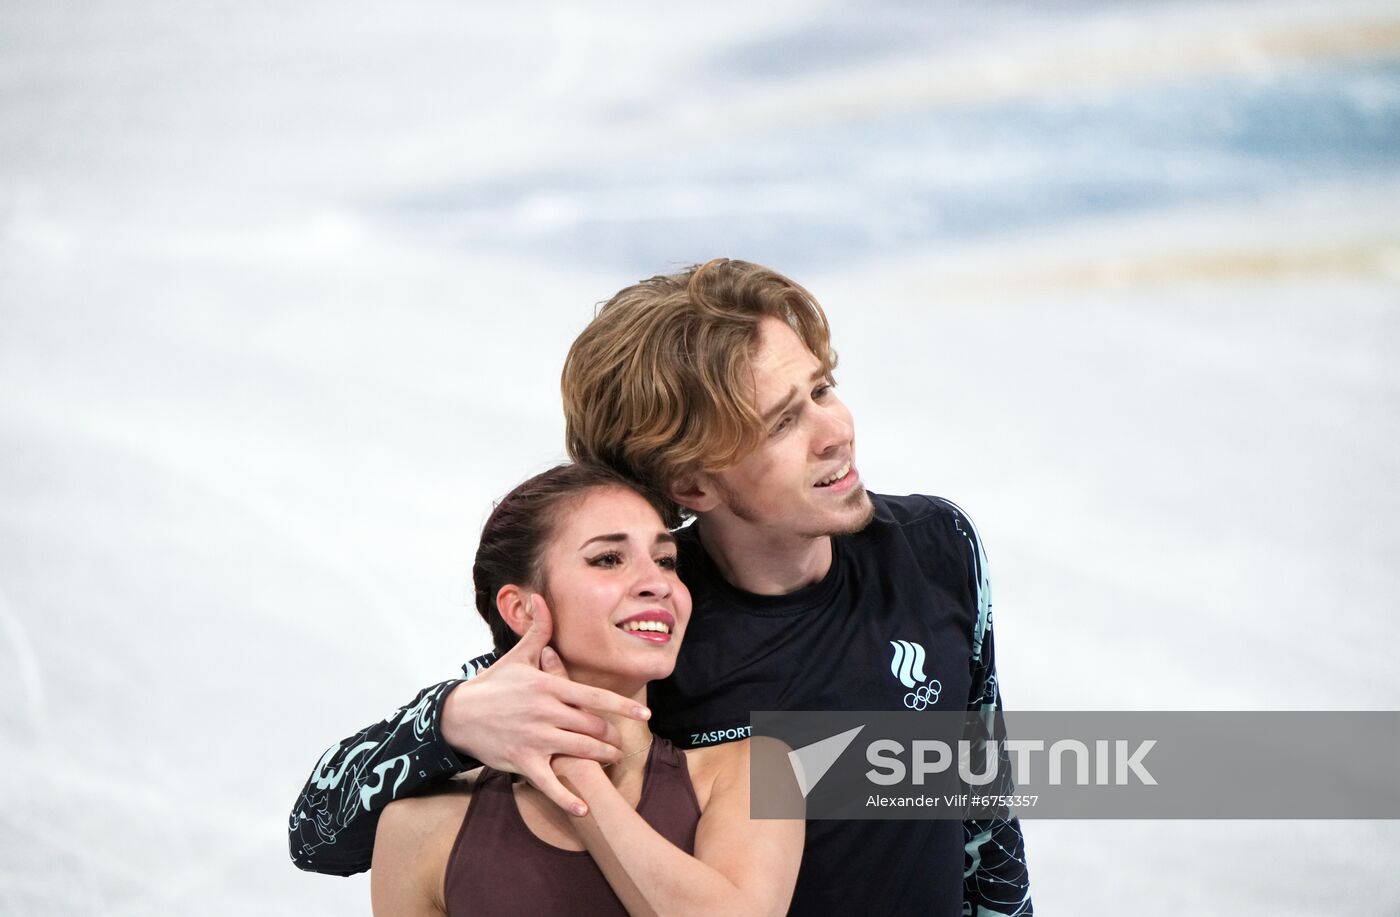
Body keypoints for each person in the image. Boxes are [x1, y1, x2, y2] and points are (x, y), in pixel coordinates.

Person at [290, 259, 1032, 917]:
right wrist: (448, 719)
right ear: (691, 482)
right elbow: (317, 827)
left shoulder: (935, 546)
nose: (834, 430)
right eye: (781, 423)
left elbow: (983, 807)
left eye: (822, 389)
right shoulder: (649, 625)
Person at [369, 463, 803, 916]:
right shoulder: (417, 826)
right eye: (608, 559)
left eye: (666, 561)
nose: (658, 584)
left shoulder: (761, 768)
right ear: (519, 609)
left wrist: (574, 767)